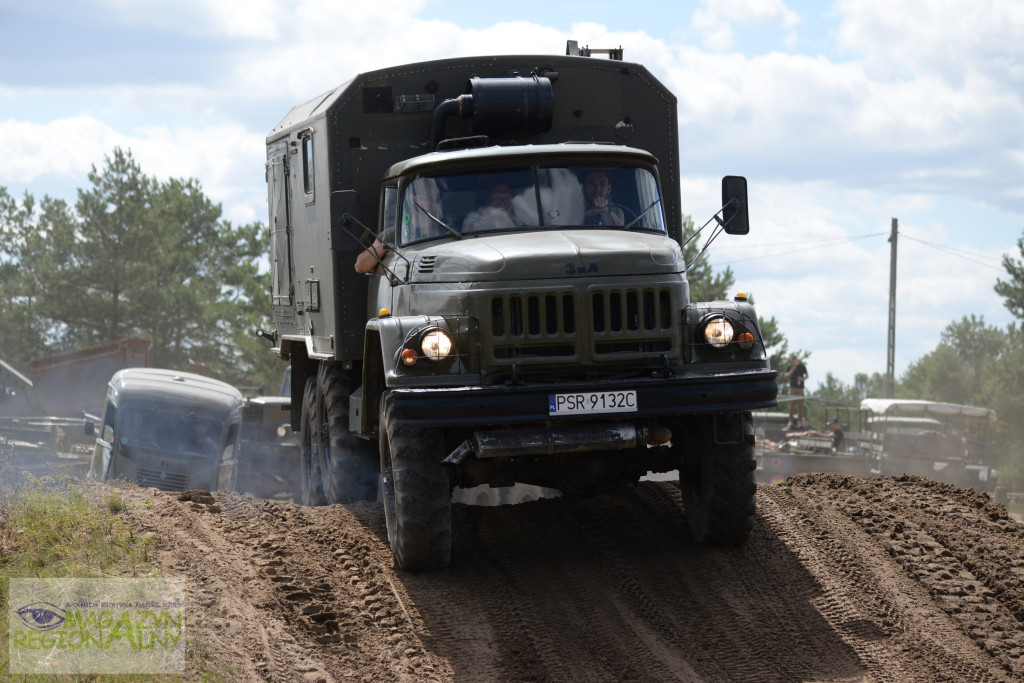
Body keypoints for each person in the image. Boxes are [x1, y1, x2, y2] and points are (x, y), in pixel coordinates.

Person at [784, 354, 808, 427]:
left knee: (800, 405)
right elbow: (786, 377)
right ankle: (790, 420)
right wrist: (791, 371)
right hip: (792, 388)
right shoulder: (790, 367)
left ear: (797, 359)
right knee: (791, 405)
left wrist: (802, 379)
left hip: (800, 388)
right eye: (792, 359)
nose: (794, 361)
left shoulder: (802, 366)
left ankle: (799, 421)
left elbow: (807, 376)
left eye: (795, 359)